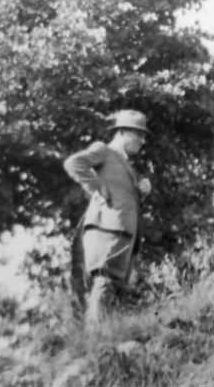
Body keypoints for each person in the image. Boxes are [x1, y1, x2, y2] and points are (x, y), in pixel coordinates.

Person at [63, 109, 152, 327]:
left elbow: (123, 197)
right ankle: (95, 338)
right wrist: (97, 187)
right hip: (107, 229)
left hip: (124, 233)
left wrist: (141, 190)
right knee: (105, 280)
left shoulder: (125, 164)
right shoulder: (104, 150)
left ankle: (106, 338)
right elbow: (74, 163)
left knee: (117, 287)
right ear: (122, 132)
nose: (142, 141)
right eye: (138, 134)